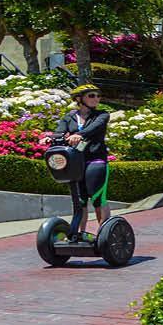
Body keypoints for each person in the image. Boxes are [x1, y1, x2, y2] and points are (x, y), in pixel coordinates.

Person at [52, 84, 111, 241]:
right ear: (79, 99)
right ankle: (80, 234)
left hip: (96, 161)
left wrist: (78, 134)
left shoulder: (102, 115)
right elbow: (59, 131)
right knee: (80, 200)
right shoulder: (69, 117)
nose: (96, 99)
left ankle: (104, 235)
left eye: (98, 96)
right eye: (91, 96)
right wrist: (50, 138)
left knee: (97, 198)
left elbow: (93, 129)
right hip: (76, 162)